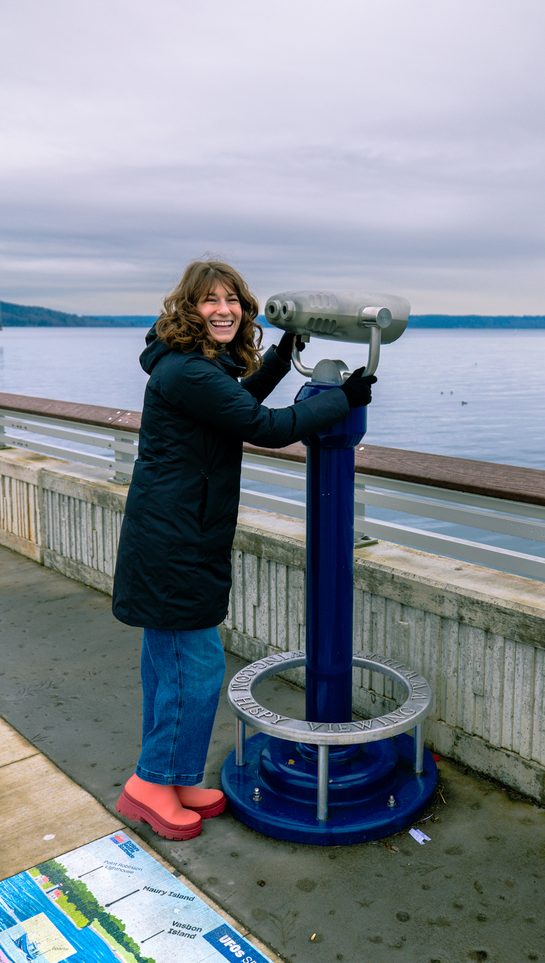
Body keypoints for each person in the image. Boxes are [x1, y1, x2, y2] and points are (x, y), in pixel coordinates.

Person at [112, 259, 376, 840]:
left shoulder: (191, 366)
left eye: (231, 299)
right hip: (174, 544)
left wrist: (281, 357)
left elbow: (233, 407)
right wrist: (343, 398)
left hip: (178, 534)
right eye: (210, 300)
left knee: (170, 668)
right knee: (195, 668)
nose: (224, 309)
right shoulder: (188, 371)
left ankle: (171, 777)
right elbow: (265, 426)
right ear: (189, 308)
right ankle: (151, 785)